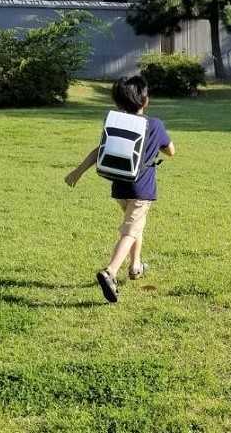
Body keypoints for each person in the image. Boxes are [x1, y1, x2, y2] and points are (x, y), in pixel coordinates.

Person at [64, 75, 175, 303]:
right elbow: (171, 151)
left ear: (116, 103)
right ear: (145, 101)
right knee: (130, 231)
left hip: (119, 187)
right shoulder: (154, 125)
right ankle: (110, 271)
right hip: (142, 190)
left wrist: (77, 172)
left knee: (135, 226)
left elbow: (100, 150)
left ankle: (135, 267)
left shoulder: (116, 125)